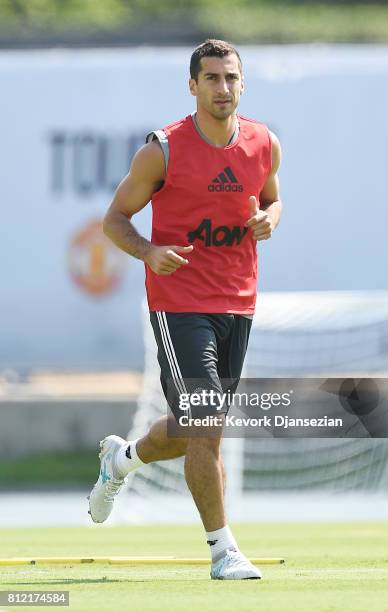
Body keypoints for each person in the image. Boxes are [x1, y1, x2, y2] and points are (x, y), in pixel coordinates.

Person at [88, 39, 282, 580]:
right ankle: (223, 551)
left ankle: (121, 460)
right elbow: (114, 219)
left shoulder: (264, 143)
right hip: (179, 304)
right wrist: (149, 251)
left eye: (232, 78)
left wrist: (271, 217)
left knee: (196, 425)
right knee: (208, 425)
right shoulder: (163, 149)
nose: (224, 88)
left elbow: (272, 198)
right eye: (212, 79)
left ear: (243, 84)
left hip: (238, 303)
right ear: (193, 86)